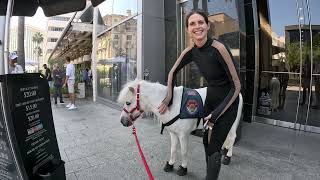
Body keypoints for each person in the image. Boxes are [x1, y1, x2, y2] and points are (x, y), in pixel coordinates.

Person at [158, 10, 241, 180]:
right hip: (210, 100)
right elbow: (172, 73)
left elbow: (237, 85)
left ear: (208, 26)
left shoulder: (219, 48)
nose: (197, 27)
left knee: (214, 146)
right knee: (206, 142)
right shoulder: (191, 51)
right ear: (188, 29)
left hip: (228, 103)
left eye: (201, 22)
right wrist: (169, 98)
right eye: (192, 24)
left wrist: (216, 114)